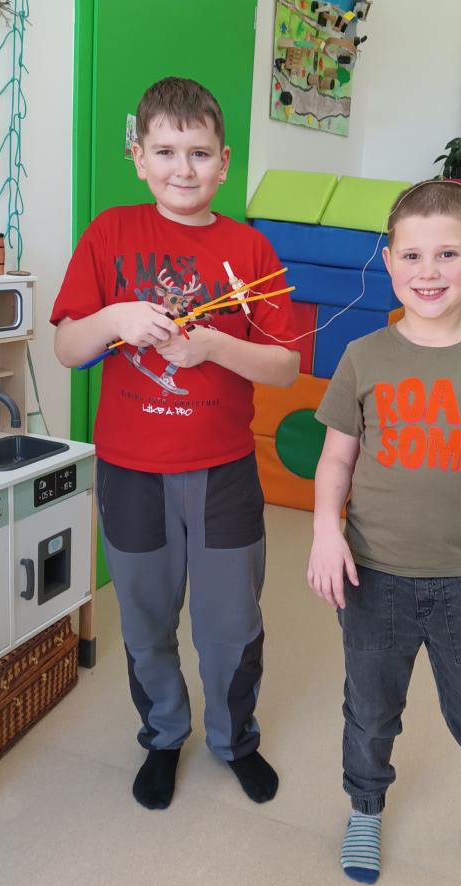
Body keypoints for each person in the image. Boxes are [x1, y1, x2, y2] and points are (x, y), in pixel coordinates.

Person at [51, 77, 299, 811]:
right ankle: (163, 735)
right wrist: (115, 319)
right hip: (131, 473)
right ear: (138, 157)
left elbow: (285, 366)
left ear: (224, 162)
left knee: (231, 626)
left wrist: (214, 347)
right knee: (145, 618)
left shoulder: (250, 248)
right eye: (164, 151)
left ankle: (234, 740)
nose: (182, 169)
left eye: (198, 153)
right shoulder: (109, 234)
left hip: (223, 473)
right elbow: (67, 348)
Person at [307, 180, 461, 886]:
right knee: (370, 712)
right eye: (411, 255)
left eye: (447, 254)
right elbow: (335, 460)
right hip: (373, 579)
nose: (428, 271)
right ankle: (364, 809)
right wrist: (323, 530)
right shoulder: (362, 355)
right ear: (388, 261)